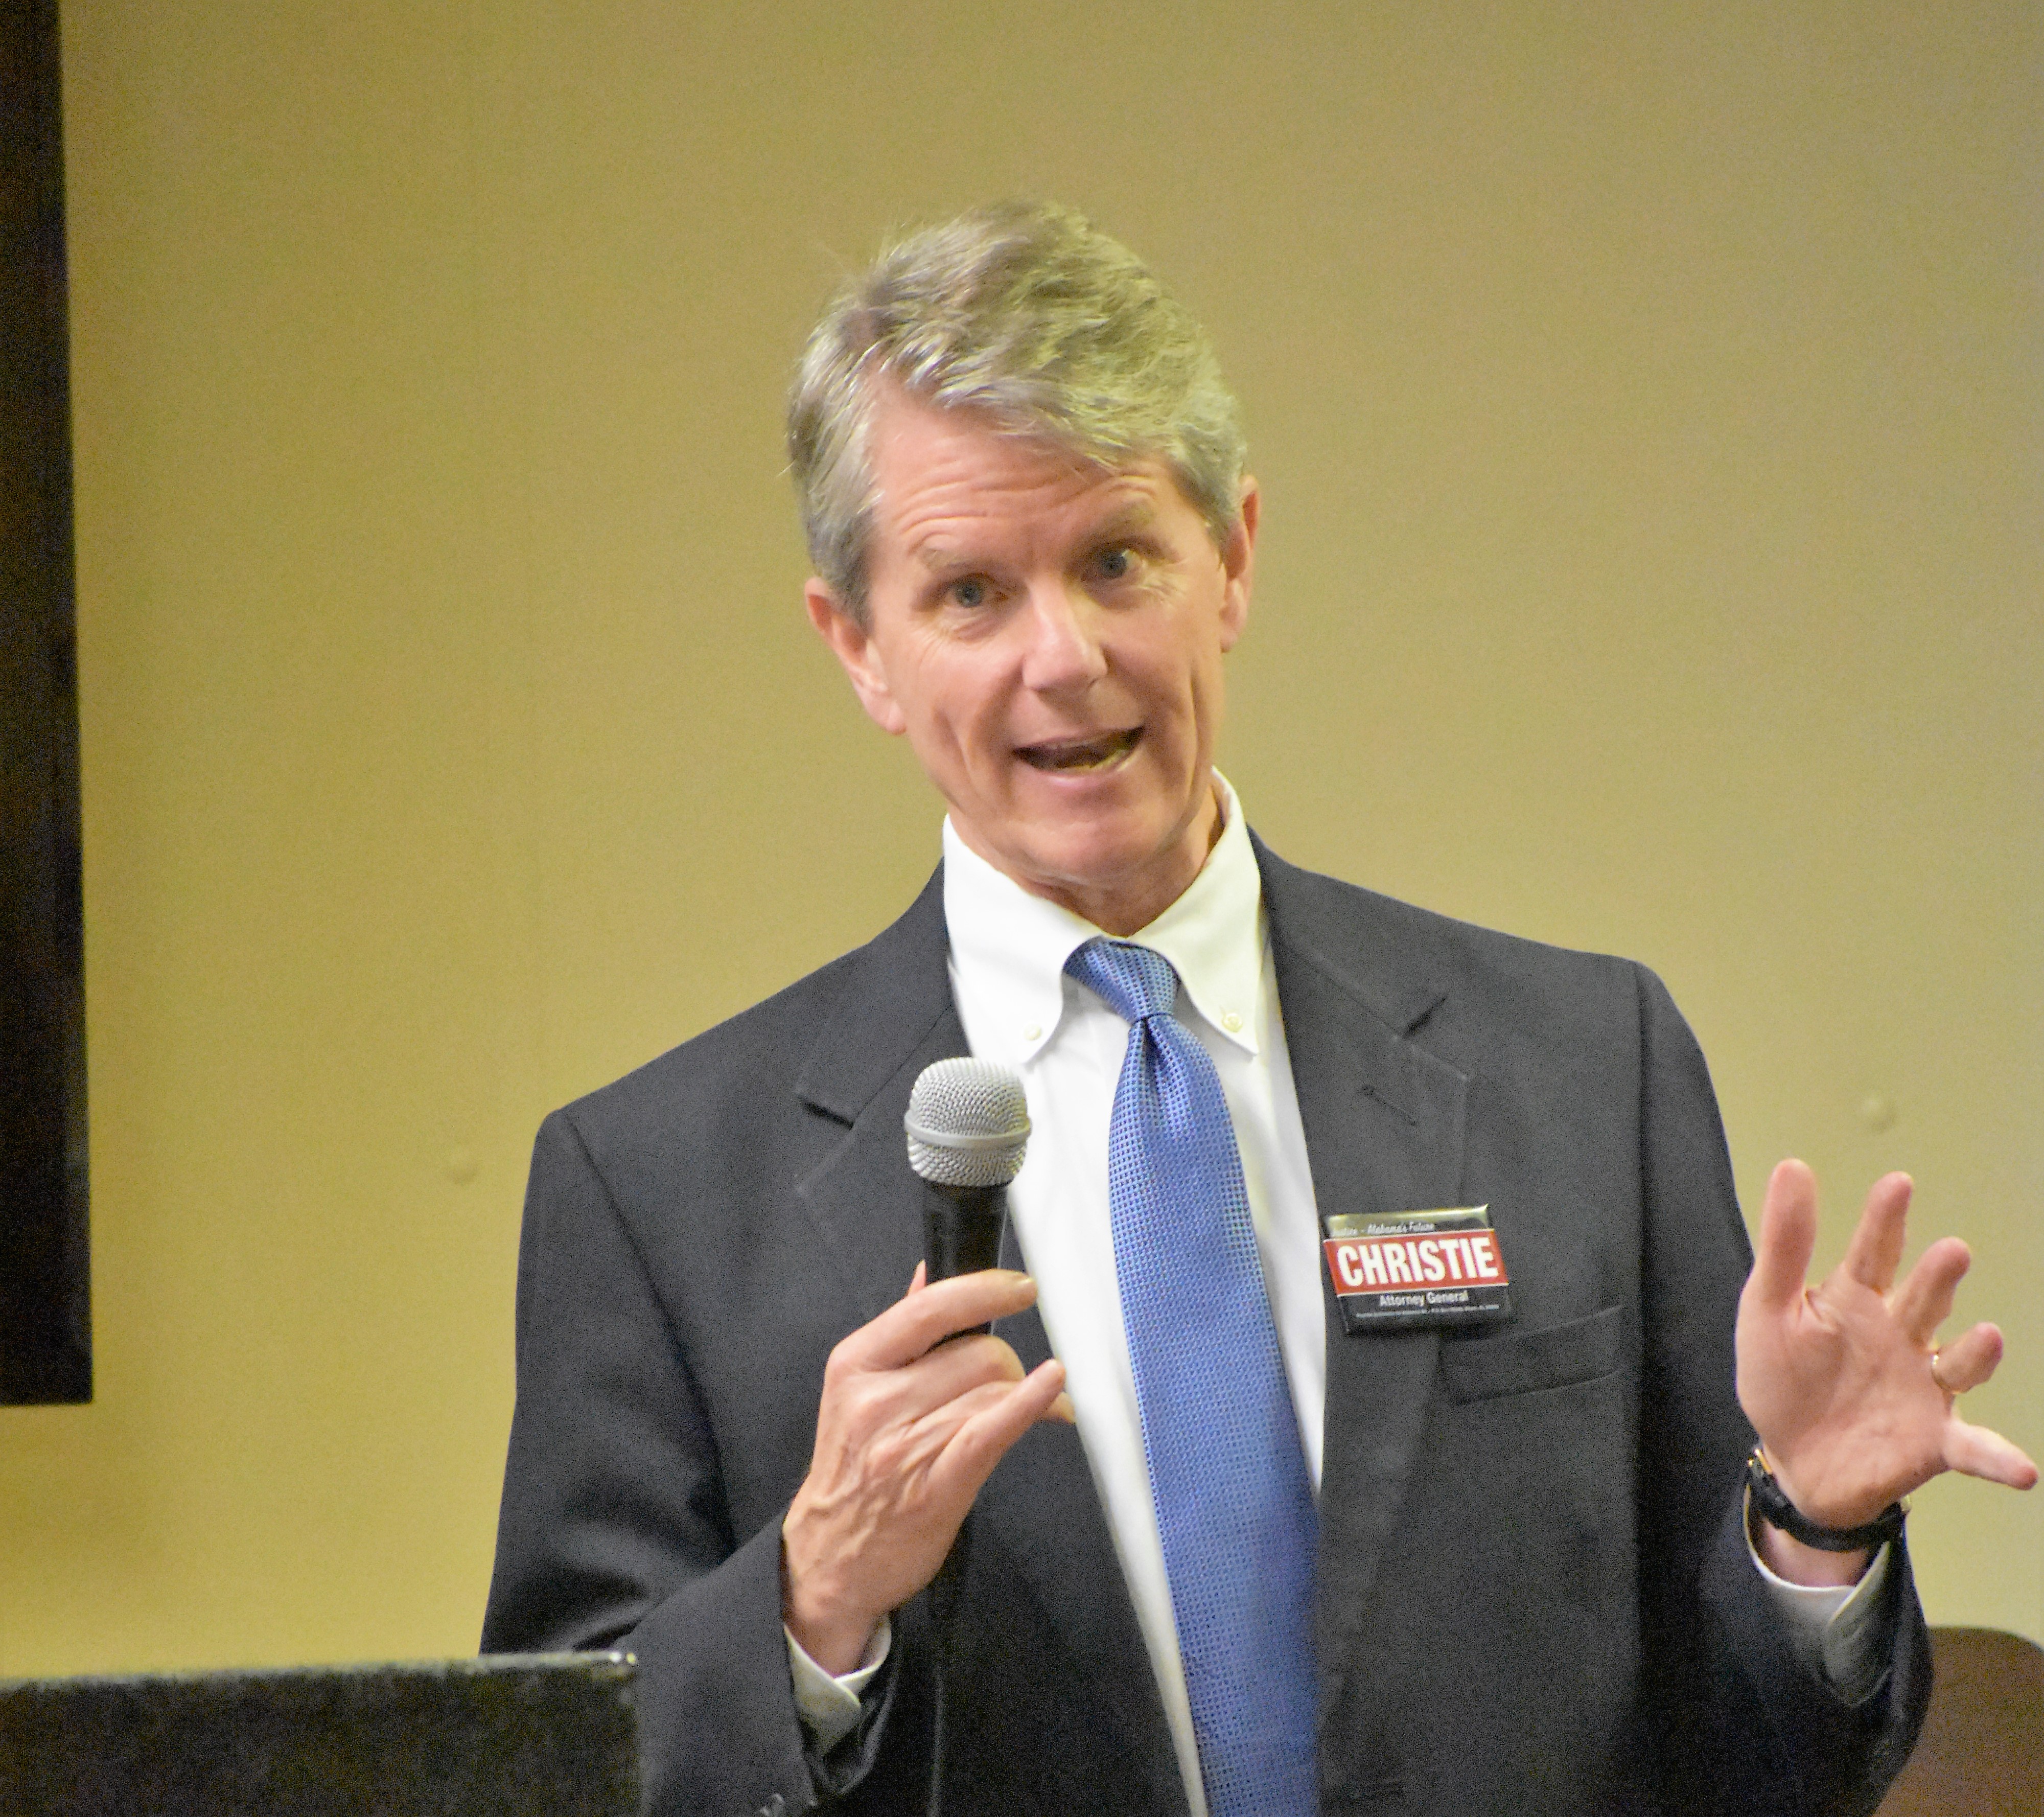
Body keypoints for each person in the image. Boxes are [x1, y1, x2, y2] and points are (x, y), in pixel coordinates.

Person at [480, 203, 2034, 1817]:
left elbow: (1764, 1756)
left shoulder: (1582, 1066)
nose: (1063, 658)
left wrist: (1815, 1532)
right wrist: (812, 1598)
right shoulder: (656, 1188)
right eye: (967, 596)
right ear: (858, 647)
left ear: (1231, 559)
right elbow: (563, 1763)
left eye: (1114, 560)